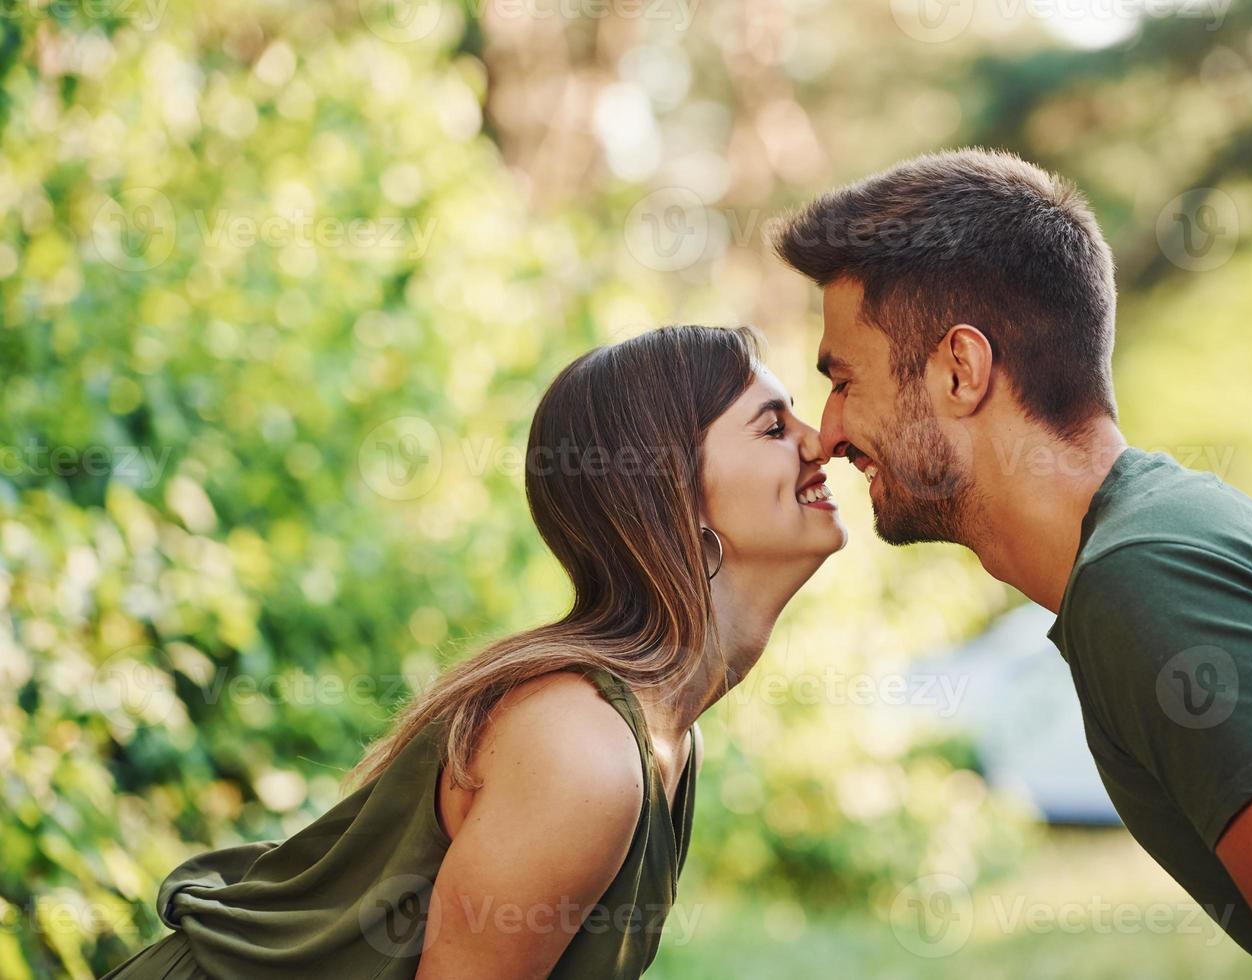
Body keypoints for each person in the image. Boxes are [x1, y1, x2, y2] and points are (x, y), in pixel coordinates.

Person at [773, 147, 1252, 980]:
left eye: (845, 379)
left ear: (960, 369)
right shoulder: (1143, 546)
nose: (829, 431)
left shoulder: (1146, 577)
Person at [101, 324, 847, 979]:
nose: (819, 441)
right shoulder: (581, 748)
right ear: (674, 496)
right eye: (772, 428)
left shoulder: (664, 739)